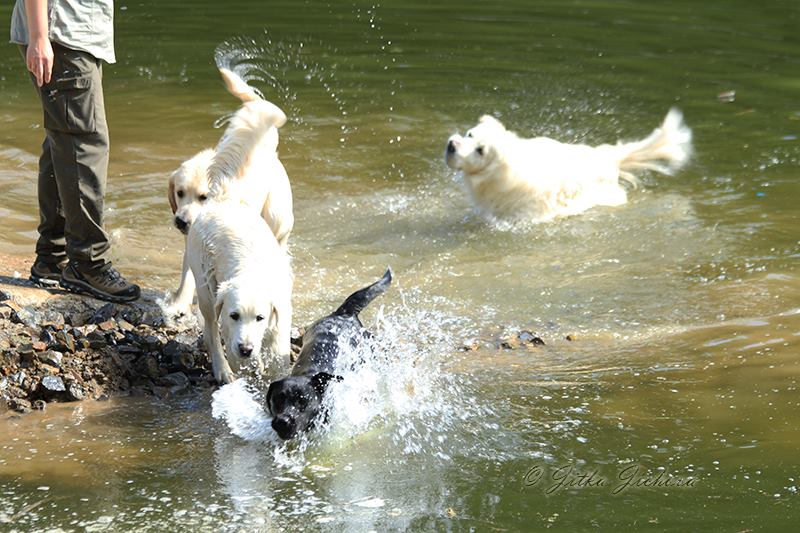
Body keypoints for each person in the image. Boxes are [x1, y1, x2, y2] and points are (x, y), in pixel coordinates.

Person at [9, 0, 140, 303]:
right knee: (85, 146)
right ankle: (88, 262)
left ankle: (52, 259)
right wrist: (40, 36)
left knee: (64, 143)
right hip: (60, 33)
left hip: (72, 33)